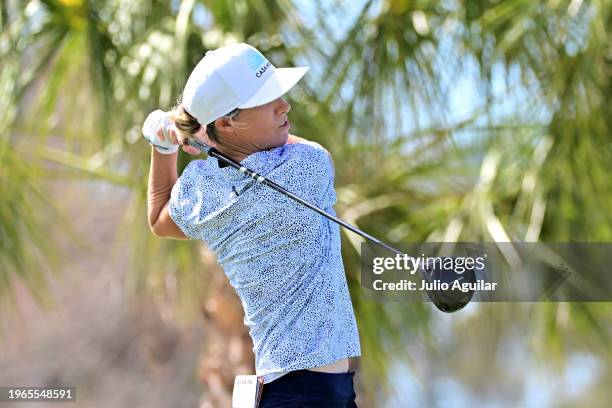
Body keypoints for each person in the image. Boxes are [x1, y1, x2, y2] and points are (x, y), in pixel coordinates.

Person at [144, 43, 361, 407]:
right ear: (228, 121)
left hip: (290, 389)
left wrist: (164, 146)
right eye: (267, 99)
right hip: (309, 393)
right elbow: (304, 148)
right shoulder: (308, 166)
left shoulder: (203, 189)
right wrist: (201, 135)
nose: (284, 106)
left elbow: (158, 218)